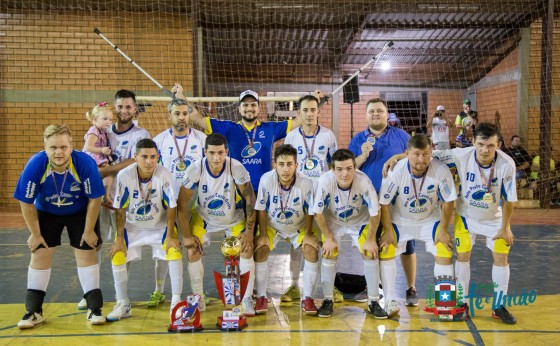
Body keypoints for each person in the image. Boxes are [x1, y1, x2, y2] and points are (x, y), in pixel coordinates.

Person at [387, 122, 518, 324]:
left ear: (498, 145)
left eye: (490, 145)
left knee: (502, 258)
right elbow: (426, 155)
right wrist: (399, 157)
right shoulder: (460, 154)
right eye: (481, 144)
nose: (485, 150)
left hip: (495, 219)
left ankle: (499, 306)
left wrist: (506, 227)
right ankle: (462, 304)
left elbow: (509, 199)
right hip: (466, 217)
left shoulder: (506, 164)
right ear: (473, 142)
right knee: (462, 257)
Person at [13, 124, 106, 329]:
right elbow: (25, 201)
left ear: (71, 146)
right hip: (47, 211)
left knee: (86, 252)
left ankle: (94, 309)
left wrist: (89, 230)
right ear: (45, 147)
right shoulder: (36, 164)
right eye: (53, 147)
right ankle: (33, 312)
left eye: (63, 147)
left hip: (80, 211)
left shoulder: (84, 163)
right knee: (40, 253)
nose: (59, 152)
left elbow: (95, 198)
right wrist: (35, 234)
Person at [96, 90, 169, 310]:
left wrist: (106, 171)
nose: (124, 111)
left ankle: (159, 290)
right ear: (114, 108)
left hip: (133, 199)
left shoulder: (141, 133)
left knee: (137, 241)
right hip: (105, 196)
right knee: (100, 243)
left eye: (128, 107)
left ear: (135, 108)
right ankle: (95, 292)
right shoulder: (104, 131)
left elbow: (131, 162)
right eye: (120, 106)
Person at [177, 133, 257, 315]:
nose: (216, 157)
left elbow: (250, 199)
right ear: (205, 152)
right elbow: (181, 204)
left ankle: (246, 299)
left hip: (233, 217)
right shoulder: (195, 169)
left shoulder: (236, 167)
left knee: (246, 248)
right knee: (192, 250)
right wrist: (187, 236)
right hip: (205, 218)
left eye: (220, 152)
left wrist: (249, 233)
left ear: (226, 152)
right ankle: (198, 299)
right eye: (212, 153)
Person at [348, 97, 418, 306]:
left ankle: (411, 288)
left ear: (387, 114)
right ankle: (374, 288)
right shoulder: (358, 139)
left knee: (407, 245)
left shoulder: (401, 135)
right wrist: (361, 156)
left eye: (379, 111)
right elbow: (349, 167)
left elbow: (416, 156)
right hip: (368, 201)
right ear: (366, 115)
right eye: (371, 111)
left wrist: (399, 157)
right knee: (371, 242)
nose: (375, 114)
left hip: (398, 200)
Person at [378, 134, 457, 317]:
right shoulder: (395, 171)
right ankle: (389, 301)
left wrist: (444, 230)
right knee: (387, 248)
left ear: (432, 153)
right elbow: (384, 203)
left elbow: (448, 202)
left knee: (444, 250)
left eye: (425, 154)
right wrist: (388, 230)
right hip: (401, 220)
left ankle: (445, 304)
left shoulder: (441, 169)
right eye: (416, 154)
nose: (421, 159)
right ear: (407, 154)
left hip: (430, 219)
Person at [173, 83, 303, 194]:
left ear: (258, 109)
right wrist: (182, 98)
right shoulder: (228, 128)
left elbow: (298, 121)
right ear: (239, 109)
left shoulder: (270, 128)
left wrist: (315, 100)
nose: (249, 108)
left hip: (265, 190)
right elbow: (198, 118)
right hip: (236, 191)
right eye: (245, 105)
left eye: (253, 105)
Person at [107, 138, 183, 321]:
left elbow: (172, 206)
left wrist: (171, 235)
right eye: (144, 157)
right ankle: (123, 303)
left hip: (159, 226)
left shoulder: (165, 174)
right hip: (132, 227)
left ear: (158, 157)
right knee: (117, 254)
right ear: (135, 157)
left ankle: (176, 302)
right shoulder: (125, 175)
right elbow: (120, 209)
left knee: (173, 251)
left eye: (153, 157)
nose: (149, 161)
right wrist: (119, 238)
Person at [312, 149, 394, 318]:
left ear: (355, 167)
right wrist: (328, 237)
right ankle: (328, 300)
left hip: (360, 221)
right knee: (329, 252)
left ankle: (373, 301)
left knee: (370, 253)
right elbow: (318, 213)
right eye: (340, 169)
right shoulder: (324, 181)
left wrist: (371, 239)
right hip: (334, 221)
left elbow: (374, 212)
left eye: (349, 168)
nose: (345, 174)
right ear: (332, 169)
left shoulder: (363, 180)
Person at [282, 94, 338, 303]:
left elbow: (334, 166)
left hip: (324, 196)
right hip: (300, 195)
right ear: (299, 113)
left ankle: (330, 288)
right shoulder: (291, 137)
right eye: (305, 110)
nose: (309, 114)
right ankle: (294, 285)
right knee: (298, 242)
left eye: (313, 110)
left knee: (328, 239)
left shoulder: (328, 136)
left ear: (318, 111)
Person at [253, 144, 318, 315]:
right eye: (281, 164)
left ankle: (308, 298)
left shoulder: (306, 183)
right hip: (273, 226)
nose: (285, 169)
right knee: (260, 250)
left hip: (298, 226)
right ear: (275, 164)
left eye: (290, 164)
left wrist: (309, 234)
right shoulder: (266, 180)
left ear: (297, 165)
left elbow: (309, 211)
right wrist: (263, 235)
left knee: (311, 250)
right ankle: (261, 296)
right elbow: (261, 208)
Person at [83, 102, 114, 204]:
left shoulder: (104, 131)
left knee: (110, 173)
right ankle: (96, 195)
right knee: (107, 171)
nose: (108, 122)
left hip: (100, 156)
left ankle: (106, 194)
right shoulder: (94, 131)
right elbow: (88, 147)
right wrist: (101, 150)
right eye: (105, 119)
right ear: (95, 120)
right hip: (91, 157)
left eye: (110, 119)